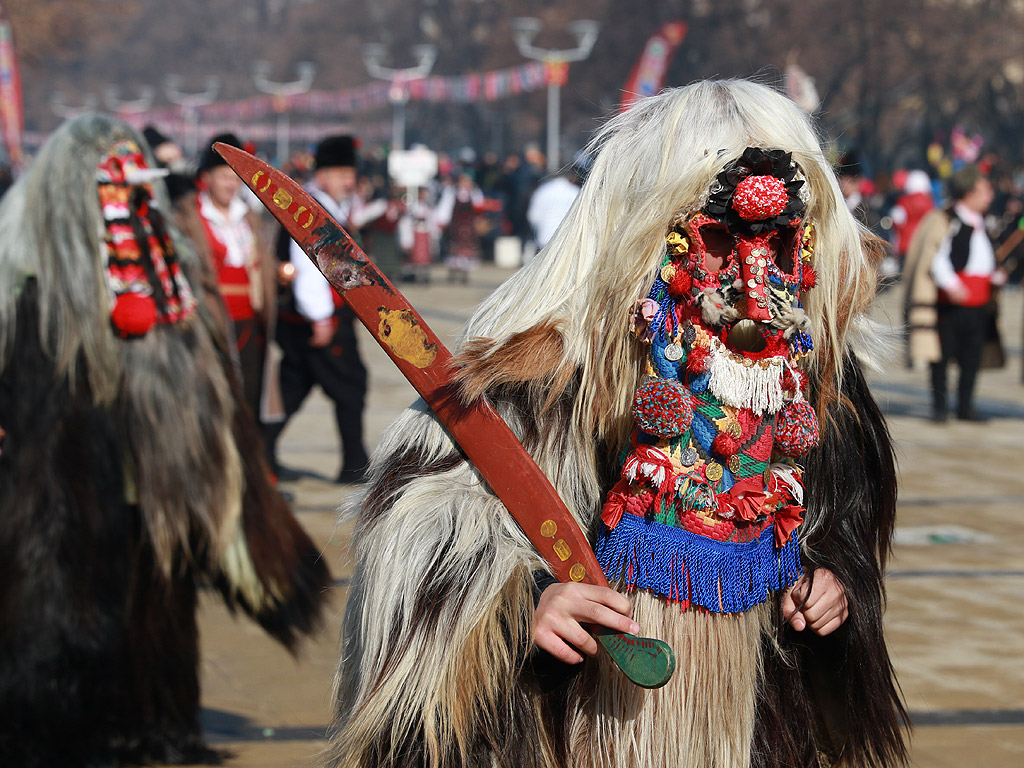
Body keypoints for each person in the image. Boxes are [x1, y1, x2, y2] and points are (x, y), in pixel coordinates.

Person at [326, 81, 906, 768]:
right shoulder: (528, 376)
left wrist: (831, 581)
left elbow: (839, 524)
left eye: (777, 244)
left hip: (754, 722)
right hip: (572, 727)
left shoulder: (812, 374)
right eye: (718, 239)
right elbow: (415, 533)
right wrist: (521, 607)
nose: (749, 281)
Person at [0, 115, 330, 766]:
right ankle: (52, 725)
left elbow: (212, 386)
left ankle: (150, 721)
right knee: (58, 606)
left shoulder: (165, 280)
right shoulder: (29, 293)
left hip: (155, 481)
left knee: (156, 601)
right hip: (59, 491)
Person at [267, 134, 370, 483]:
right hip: (319, 317)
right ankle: (354, 464)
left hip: (312, 317)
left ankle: (262, 455)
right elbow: (309, 265)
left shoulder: (325, 203)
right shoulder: (313, 208)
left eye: (350, 173)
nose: (349, 180)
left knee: (293, 388)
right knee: (350, 385)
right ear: (323, 174)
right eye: (342, 172)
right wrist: (321, 318)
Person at [175, 132, 277, 421]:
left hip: (250, 324)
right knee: (212, 400)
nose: (230, 184)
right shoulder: (189, 218)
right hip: (210, 324)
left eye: (235, 177)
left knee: (249, 396)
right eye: (223, 176)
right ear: (206, 177)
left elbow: (263, 264)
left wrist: (277, 277)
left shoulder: (249, 218)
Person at [904, 164, 1005, 422]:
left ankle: (965, 406)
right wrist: (951, 285)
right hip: (950, 303)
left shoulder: (984, 222)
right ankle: (940, 408)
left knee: (972, 356)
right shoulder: (946, 220)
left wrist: (994, 276)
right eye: (984, 190)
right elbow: (936, 259)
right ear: (968, 192)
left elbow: (982, 259)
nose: (989, 196)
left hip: (978, 302)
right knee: (942, 355)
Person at [526, 161, 583, 250]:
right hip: (569, 239)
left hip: (545, 237)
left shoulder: (543, 191)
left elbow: (533, 216)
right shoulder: (575, 191)